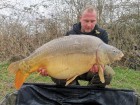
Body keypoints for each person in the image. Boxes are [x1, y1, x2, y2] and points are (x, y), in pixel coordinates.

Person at [38, 5, 115, 88]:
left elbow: (104, 59)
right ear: (80, 18)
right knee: (56, 75)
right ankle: (75, 91)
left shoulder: (102, 34)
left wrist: (99, 65)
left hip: (91, 70)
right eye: (86, 21)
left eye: (92, 21)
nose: (89, 25)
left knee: (108, 73)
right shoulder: (71, 34)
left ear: (96, 20)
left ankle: (89, 92)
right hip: (72, 69)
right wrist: (48, 69)